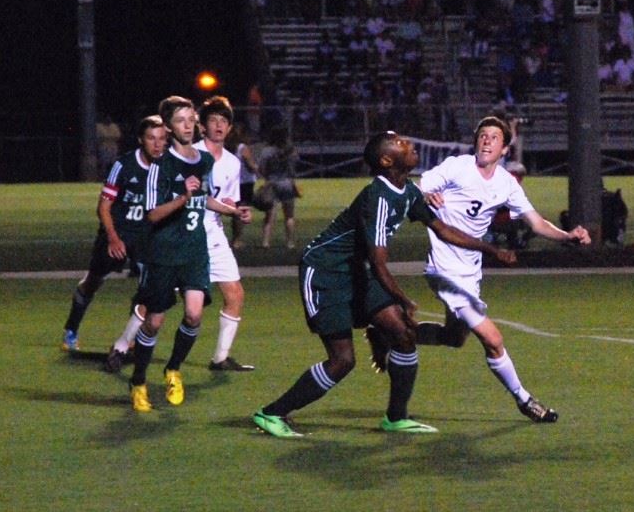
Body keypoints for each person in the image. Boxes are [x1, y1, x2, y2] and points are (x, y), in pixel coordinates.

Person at [252, 131, 512, 438]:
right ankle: (271, 413)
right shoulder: (378, 198)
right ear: (388, 160)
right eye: (403, 144)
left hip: (356, 269)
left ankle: (396, 417)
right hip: (325, 272)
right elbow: (378, 263)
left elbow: (442, 229)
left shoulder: (408, 190)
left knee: (403, 335)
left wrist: (491, 249)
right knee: (343, 361)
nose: (412, 145)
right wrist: (402, 299)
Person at [385, 115, 590, 423]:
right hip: (443, 270)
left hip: (470, 273)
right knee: (492, 339)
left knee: (454, 338)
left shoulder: (506, 184)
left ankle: (392, 336)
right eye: (483, 135)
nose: (486, 140)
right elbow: (418, 186)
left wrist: (567, 236)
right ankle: (524, 400)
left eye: (494, 137)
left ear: (505, 149)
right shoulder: (458, 166)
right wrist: (426, 194)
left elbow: (535, 222)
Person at [127, 96, 250, 412]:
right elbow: (152, 215)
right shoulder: (160, 165)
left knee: (194, 314)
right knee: (154, 322)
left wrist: (233, 211)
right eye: (179, 120)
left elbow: (205, 198)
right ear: (168, 127)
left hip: (195, 251)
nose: (187, 125)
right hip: (164, 253)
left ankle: (173, 369)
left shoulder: (204, 160)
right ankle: (139, 380)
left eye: (190, 118)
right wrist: (184, 196)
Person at [61, 115, 167, 359]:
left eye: (162, 139)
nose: (157, 144)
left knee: (149, 287)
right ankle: (71, 329)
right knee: (93, 282)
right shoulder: (124, 166)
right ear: (141, 140)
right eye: (152, 138)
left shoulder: (167, 167)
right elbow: (103, 206)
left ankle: (130, 342)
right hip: (116, 234)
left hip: (144, 238)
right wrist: (113, 238)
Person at [194, 96, 256, 371]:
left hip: (215, 233)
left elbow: (228, 202)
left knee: (235, 294)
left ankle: (220, 358)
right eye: (213, 120)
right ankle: (127, 344)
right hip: (188, 232)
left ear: (230, 128)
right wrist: (230, 210)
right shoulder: (191, 155)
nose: (219, 125)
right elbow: (199, 198)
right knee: (161, 297)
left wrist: (240, 210)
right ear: (202, 126)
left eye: (224, 121)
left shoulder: (232, 162)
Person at [258, 125, 299, 249]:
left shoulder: (267, 151)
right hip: (287, 183)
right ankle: (290, 243)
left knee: (270, 215)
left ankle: (266, 242)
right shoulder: (291, 151)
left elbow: (261, 168)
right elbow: (294, 166)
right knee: (289, 215)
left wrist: (267, 177)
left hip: (272, 182)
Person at [231, 123, 259, 249]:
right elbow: (250, 165)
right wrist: (259, 168)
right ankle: (237, 239)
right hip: (246, 183)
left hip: (236, 182)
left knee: (237, 210)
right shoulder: (243, 147)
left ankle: (235, 238)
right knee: (242, 210)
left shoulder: (232, 147)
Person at [95, 114, 122, 178]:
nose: (108, 120)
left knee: (113, 163)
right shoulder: (99, 126)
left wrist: (107, 137)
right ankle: (102, 176)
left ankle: (112, 177)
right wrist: (109, 137)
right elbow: (100, 137)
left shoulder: (114, 126)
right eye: (106, 118)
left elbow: (118, 136)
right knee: (103, 163)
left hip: (113, 147)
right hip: (103, 147)